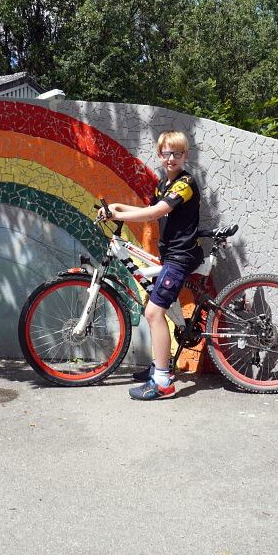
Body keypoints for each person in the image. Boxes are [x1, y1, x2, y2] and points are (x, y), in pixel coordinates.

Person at [98, 130, 202, 400]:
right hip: (171, 254)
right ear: (159, 155)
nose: (171, 158)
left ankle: (163, 382)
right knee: (152, 305)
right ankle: (160, 364)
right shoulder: (163, 184)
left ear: (185, 156)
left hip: (182, 255)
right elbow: (148, 208)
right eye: (166, 153)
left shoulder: (185, 184)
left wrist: (118, 211)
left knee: (154, 313)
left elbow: (156, 212)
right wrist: (116, 208)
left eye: (176, 153)